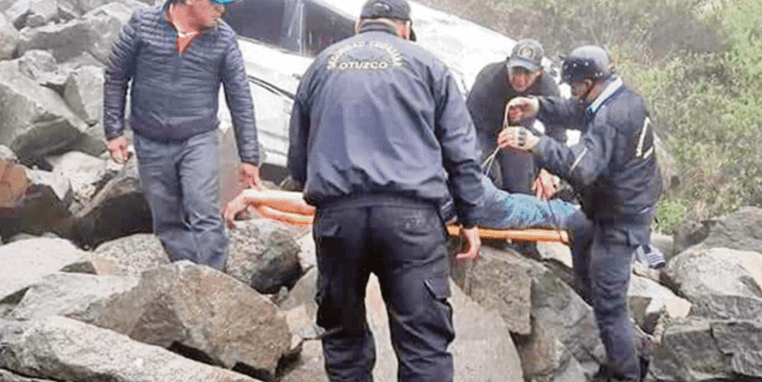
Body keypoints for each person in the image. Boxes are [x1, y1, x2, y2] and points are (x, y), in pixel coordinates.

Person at [287, 0, 484, 382]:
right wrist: (471, 219)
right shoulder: (429, 66)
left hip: (339, 218)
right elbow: (462, 153)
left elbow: (296, 161)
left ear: (359, 26)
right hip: (412, 221)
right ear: (406, 29)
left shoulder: (321, 66)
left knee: (343, 325)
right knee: (421, 334)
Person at [497, 45, 662, 382]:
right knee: (575, 227)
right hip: (606, 207)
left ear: (589, 82)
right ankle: (597, 309)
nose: (571, 92)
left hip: (619, 217)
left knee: (610, 304)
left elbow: (582, 167)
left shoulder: (614, 117)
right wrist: (538, 108)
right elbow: (576, 112)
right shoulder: (612, 97)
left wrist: (535, 144)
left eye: (574, 86)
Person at [103, 0, 263, 272]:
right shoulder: (142, 24)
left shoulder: (224, 40)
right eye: (215, 3)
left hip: (198, 138)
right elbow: (115, 75)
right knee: (166, 220)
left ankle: (216, 283)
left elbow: (240, 97)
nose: (221, 11)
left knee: (203, 211)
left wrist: (249, 157)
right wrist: (114, 132)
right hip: (149, 139)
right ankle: (189, 281)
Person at [225, 173, 578, 232]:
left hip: (468, 196)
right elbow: (310, 204)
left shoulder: (361, 185)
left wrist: (257, 196)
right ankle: (575, 213)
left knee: (528, 213)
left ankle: (579, 217)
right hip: (459, 186)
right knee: (525, 208)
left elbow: (310, 205)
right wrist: (257, 197)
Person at [465, 39, 565, 198]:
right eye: (516, 70)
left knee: (521, 191)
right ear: (507, 64)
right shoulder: (489, 77)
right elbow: (466, 124)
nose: (520, 79)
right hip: (485, 133)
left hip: (520, 137)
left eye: (527, 73)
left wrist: (549, 171)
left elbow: (558, 135)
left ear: (539, 72)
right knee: (487, 180)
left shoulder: (547, 87)